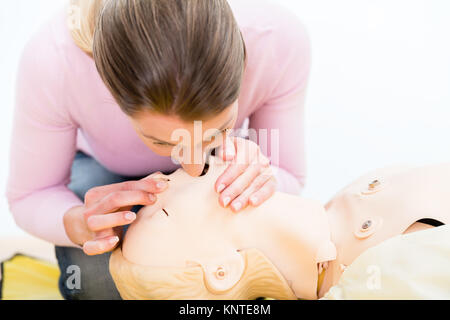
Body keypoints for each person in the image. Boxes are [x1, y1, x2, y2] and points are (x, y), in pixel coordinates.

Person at [5, 0, 311, 299]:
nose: (191, 167)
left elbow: (287, 174)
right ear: (111, 91)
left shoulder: (276, 41)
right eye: (163, 141)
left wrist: (260, 181)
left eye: (216, 130)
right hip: (107, 173)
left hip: (225, 165)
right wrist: (76, 222)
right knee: (100, 283)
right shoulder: (56, 62)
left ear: (245, 63)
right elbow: (31, 195)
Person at [109, 157, 449, 299]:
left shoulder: (336, 208)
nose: (160, 181)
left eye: (163, 177)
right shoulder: (372, 282)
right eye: (162, 212)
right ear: (222, 270)